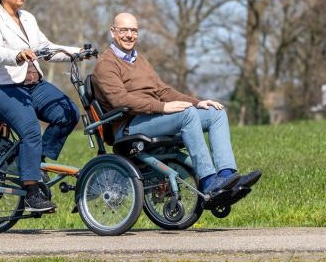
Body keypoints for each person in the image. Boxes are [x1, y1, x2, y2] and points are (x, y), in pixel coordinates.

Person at [91, 12, 261, 199]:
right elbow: (120, 100)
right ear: (113, 32)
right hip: (127, 126)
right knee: (186, 114)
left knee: (215, 113)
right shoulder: (106, 64)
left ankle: (227, 177)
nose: (130, 35)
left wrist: (198, 103)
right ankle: (208, 181)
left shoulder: (140, 61)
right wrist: (162, 108)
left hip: (151, 118)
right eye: (124, 30)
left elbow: (164, 91)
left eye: (134, 30)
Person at [0, 0, 84, 213]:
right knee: (31, 131)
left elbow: (45, 48)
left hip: (32, 85)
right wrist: (17, 54)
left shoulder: (28, 19)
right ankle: (31, 193)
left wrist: (76, 52)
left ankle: (32, 163)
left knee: (68, 113)